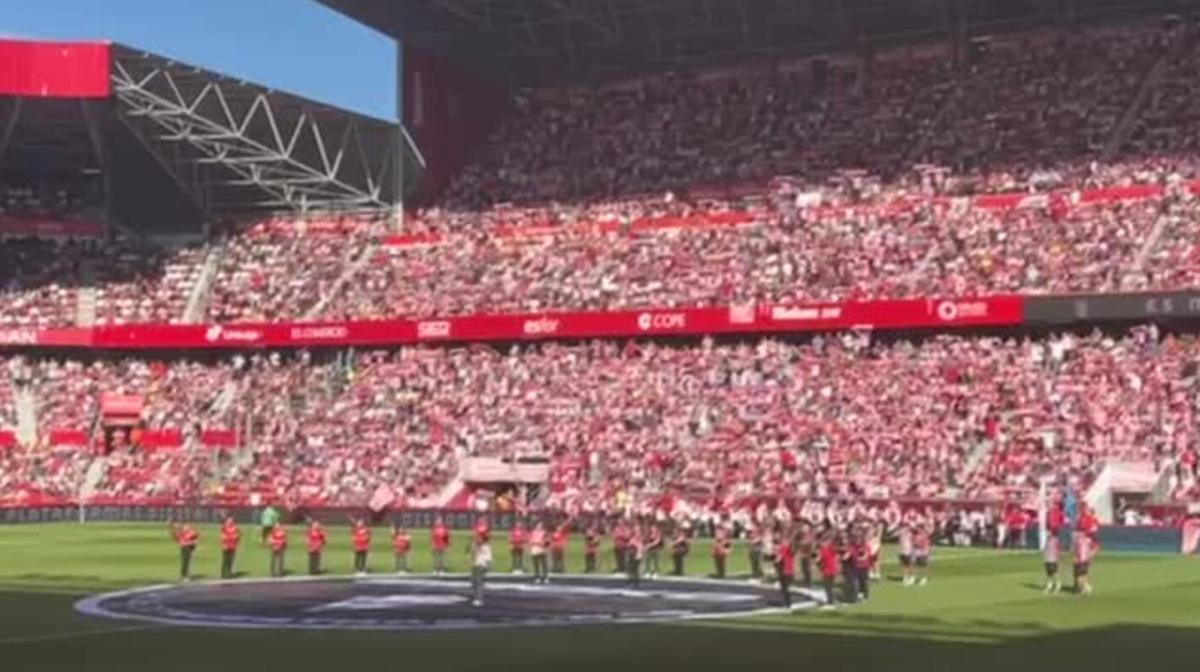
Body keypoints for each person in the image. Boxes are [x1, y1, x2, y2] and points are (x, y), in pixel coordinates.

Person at [470, 528, 493, 607]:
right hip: (475, 565)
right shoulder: (476, 546)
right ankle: (476, 597)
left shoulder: (486, 547)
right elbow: (472, 553)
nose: (477, 539)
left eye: (479, 538)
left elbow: (488, 558)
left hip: (481, 565)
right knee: (474, 582)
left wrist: (487, 566)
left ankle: (479, 599)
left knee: (479, 582)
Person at [817, 533, 840, 609]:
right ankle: (830, 601)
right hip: (826, 570)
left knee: (829, 586)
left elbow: (836, 554)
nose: (822, 543)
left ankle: (831, 603)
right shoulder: (822, 550)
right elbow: (819, 560)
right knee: (828, 586)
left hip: (830, 570)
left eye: (823, 542)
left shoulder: (831, 548)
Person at [775, 529, 796, 609]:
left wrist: (774, 561)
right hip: (790, 570)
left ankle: (787, 603)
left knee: (784, 588)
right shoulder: (790, 549)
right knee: (787, 588)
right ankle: (788, 603)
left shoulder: (783, 548)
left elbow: (779, 559)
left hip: (784, 570)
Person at [850, 532, 872, 602]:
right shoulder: (853, 547)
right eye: (856, 539)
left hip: (864, 567)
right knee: (856, 582)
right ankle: (859, 594)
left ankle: (865, 595)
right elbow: (852, 555)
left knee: (864, 582)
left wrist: (861, 557)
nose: (857, 541)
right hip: (856, 567)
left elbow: (866, 555)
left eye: (859, 539)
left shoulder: (865, 546)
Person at [219, 515, 241, 580]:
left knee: (230, 560)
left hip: (232, 546)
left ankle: (229, 573)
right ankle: (223, 573)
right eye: (229, 520)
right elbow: (223, 537)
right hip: (225, 546)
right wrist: (230, 537)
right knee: (225, 560)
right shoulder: (224, 527)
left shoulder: (235, 528)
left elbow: (237, 536)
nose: (230, 521)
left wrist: (232, 538)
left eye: (231, 520)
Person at [1043, 523, 1062, 594]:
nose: (1048, 532)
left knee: (1055, 573)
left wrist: (1057, 557)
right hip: (1047, 558)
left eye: (1049, 531)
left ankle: (1058, 584)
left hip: (1053, 558)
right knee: (1049, 573)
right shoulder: (1048, 539)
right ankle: (1049, 585)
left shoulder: (1055, 540)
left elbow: (1058, 549)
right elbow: (1046, 548)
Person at [796, 523, 815, 587]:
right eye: (803, 528)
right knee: (803, 568)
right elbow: (798, 543)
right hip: (802, 554)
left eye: (805, 528)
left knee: (807, 569)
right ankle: (806, 581)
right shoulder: (800, 535)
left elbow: (810, 544)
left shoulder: (810, 536)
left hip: (808, 554)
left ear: (808, 529)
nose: (804, 529)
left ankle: (809, 582)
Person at [898, 521, 915, 586]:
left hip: (908, 550)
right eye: (903, 527)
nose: (903, 528)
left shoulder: (910, 534)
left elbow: (913, 542)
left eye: (905, 527)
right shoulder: (900, 533)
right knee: (903, 565)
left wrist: (913, 551)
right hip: (901, 550)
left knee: (910, 564)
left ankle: (912, 577)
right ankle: (905, 576)